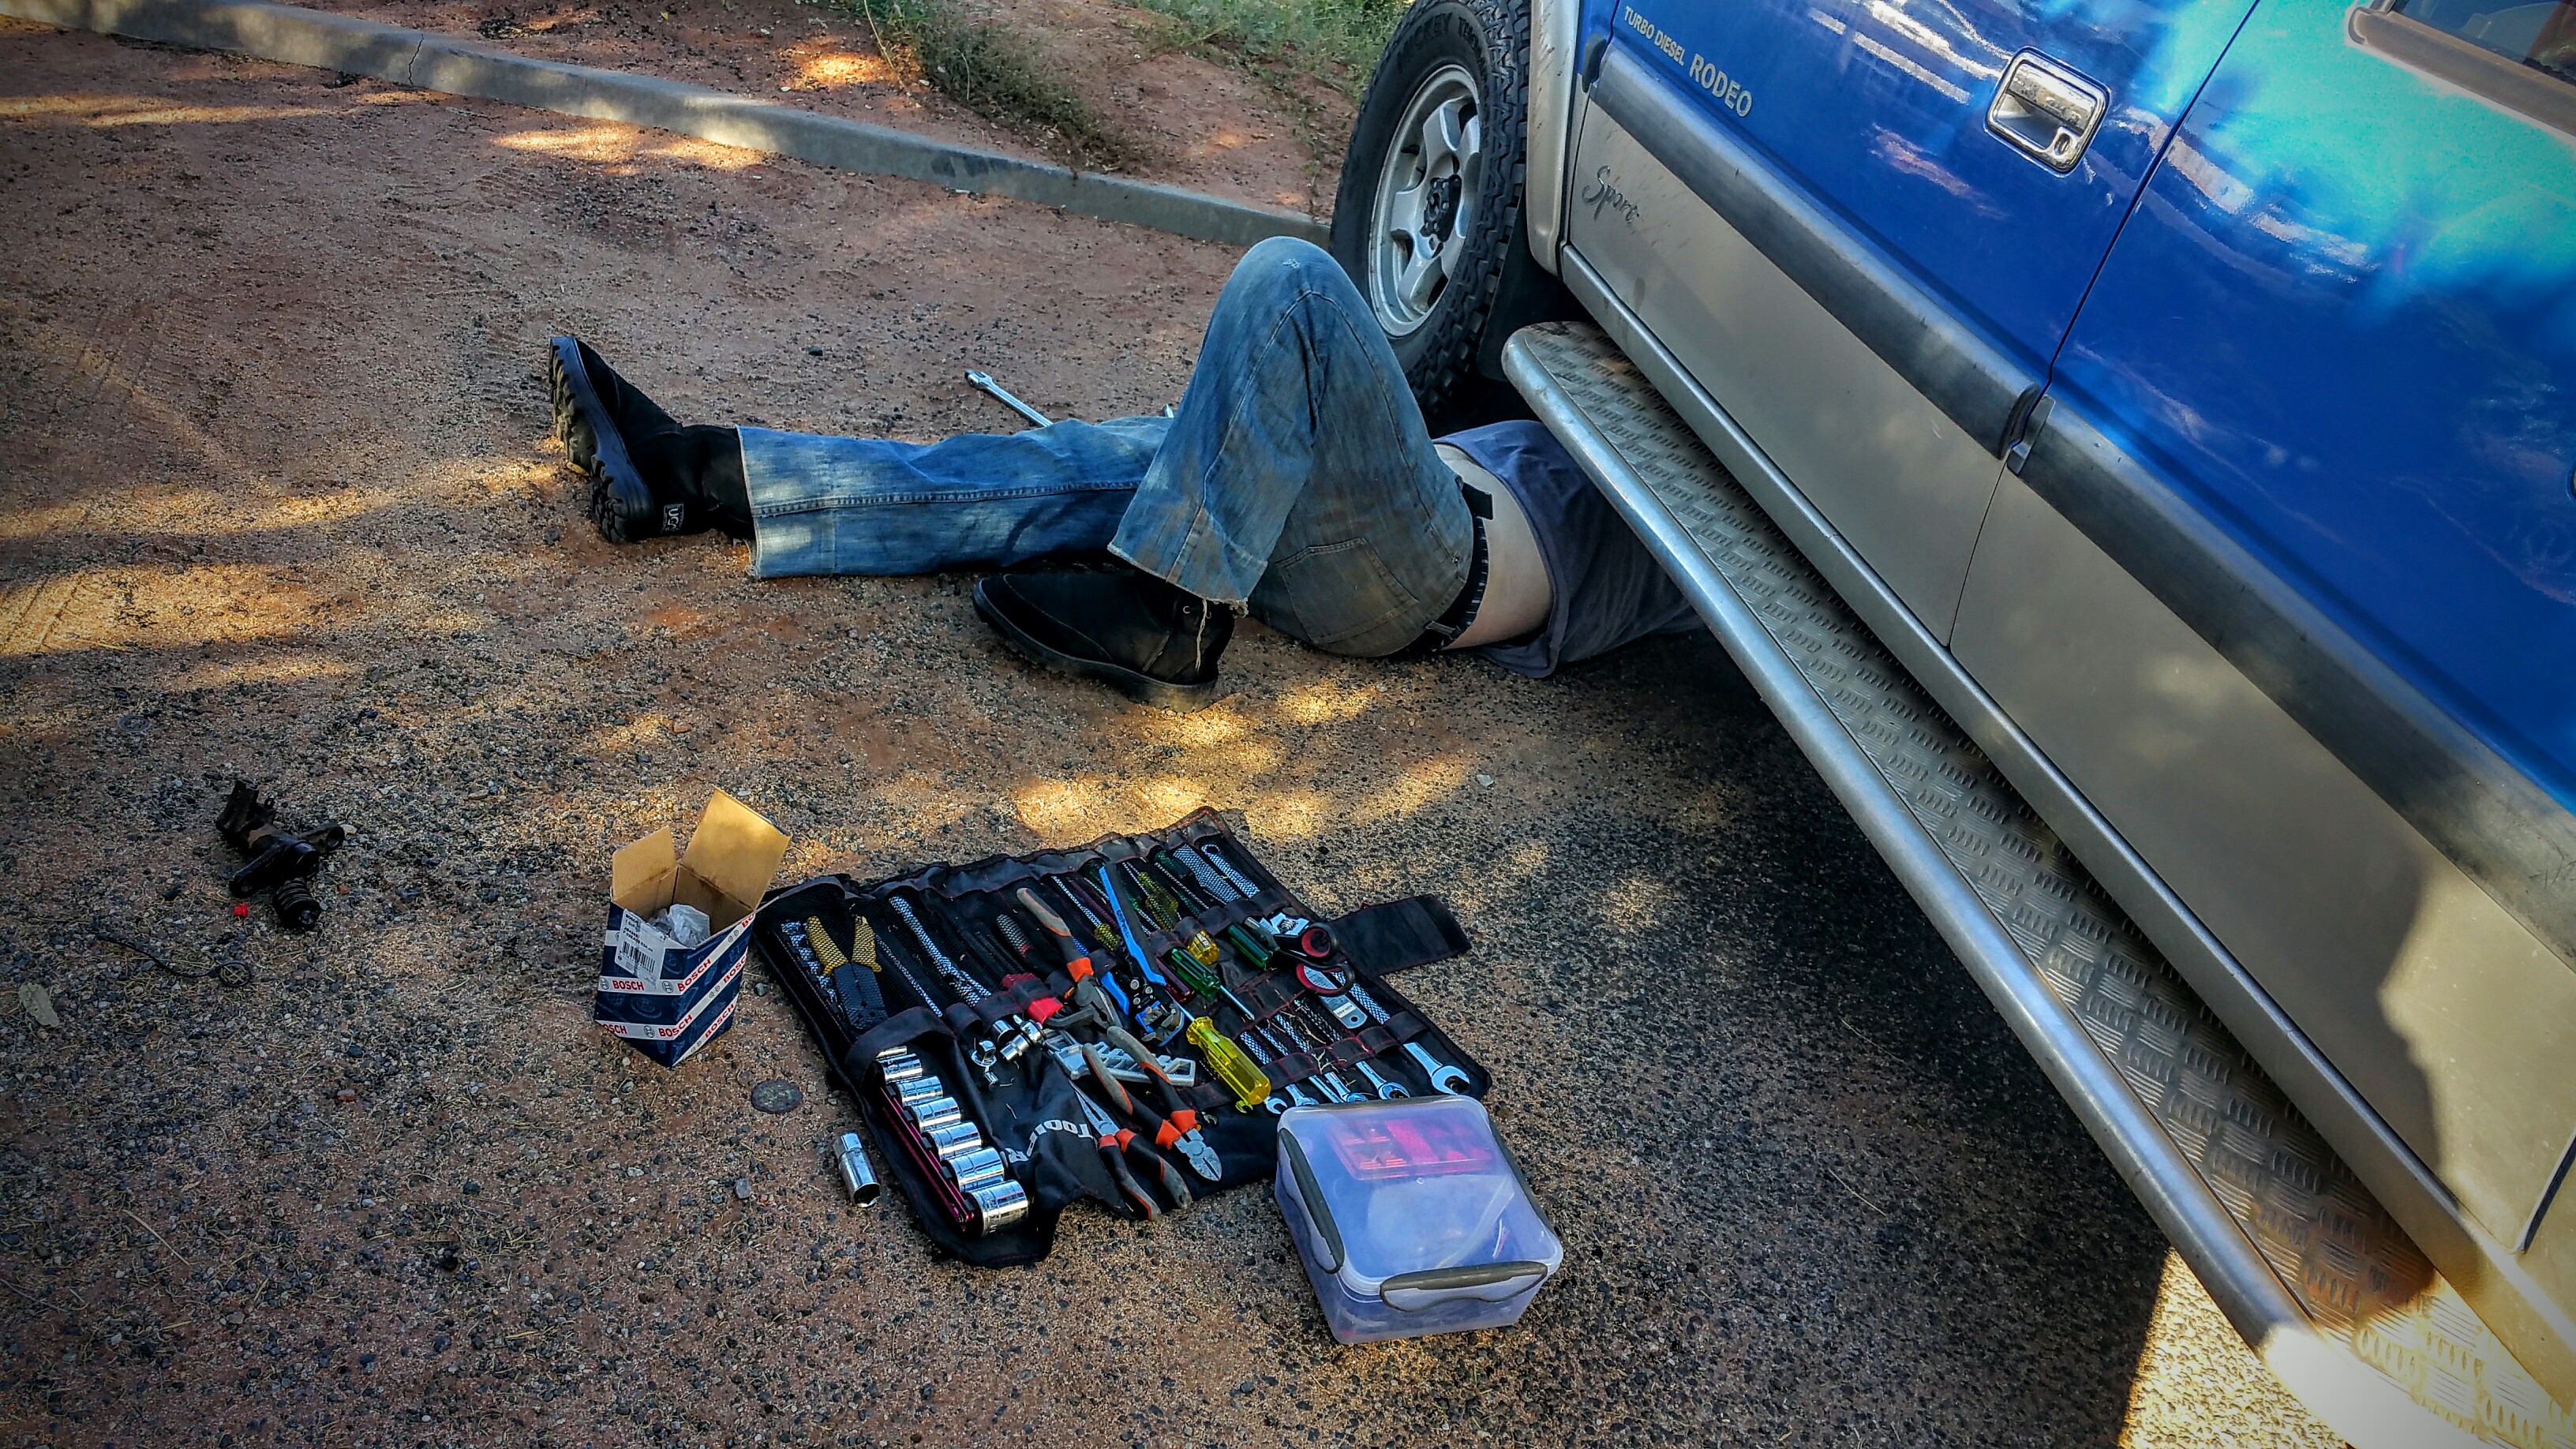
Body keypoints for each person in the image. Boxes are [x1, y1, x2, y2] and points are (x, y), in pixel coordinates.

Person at [547, 238, 1697, 710]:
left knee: (1293, 281)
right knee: (1047, 468)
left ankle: (1174, 615)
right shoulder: (1594, 381)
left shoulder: (1724, 500)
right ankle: (699, 474)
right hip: (1349, 517)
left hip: (1429, 570)